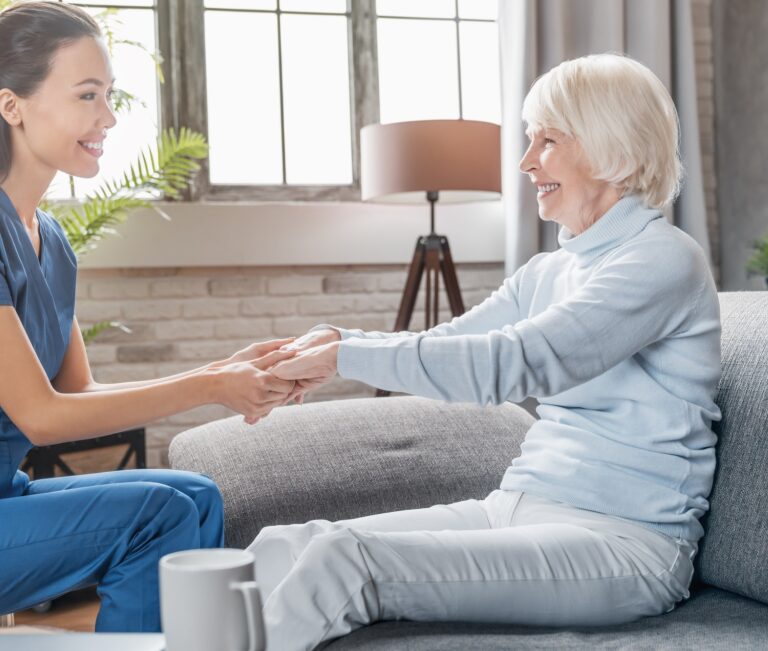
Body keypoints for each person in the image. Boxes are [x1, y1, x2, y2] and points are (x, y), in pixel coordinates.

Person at [0, 1, 297, 633]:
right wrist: (210, 388)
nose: (109, 117)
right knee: (155, 516)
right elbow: (39, 417)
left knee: (195, 496)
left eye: (110, 95)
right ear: (13, 105)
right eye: (88, 96)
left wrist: (220, 371)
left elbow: (77, 394)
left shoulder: (52, 242)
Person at [254, 53, 722, 650]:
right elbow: (450, 344)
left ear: (617, 152)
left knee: (342, 561)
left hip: (626, 542)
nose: (527, 163)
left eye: (548, 141)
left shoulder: (662, 260)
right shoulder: (548, 270)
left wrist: (344, 358)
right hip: (516, 507)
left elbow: (513, 362)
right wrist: (339, 340)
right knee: (283, 546)